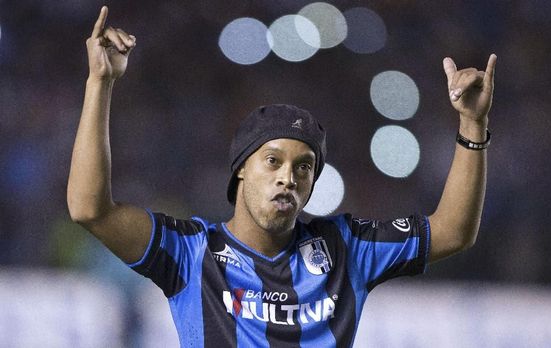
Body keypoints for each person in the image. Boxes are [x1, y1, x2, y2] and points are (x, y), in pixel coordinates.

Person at [67, 6, 497, 348]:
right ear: (240, 171)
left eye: (303, 167)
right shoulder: (191, 252)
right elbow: (89, 209)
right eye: (272, 161)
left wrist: (472, 127)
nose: (288, 177)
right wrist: (99, 82)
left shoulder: (344, 248)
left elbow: (453, 231)